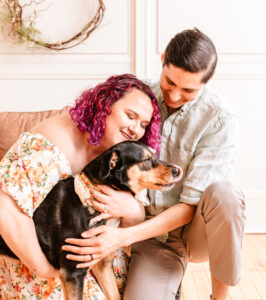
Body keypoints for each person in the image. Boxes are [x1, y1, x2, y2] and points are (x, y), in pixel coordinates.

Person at [63, 28, 246, 300]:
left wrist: (122, 237)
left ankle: (221, 298)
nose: (173, 96)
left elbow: (188, 207)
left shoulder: (219, 120)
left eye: (188, 90)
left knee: (226, 194)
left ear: (209, 80)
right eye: (170, 82)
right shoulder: (138, 98)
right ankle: (167, 284)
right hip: (145, 238)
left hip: (191, 231)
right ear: (162, 59)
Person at [0, 74, 161, 299]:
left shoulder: (123, 155)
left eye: (143, 125)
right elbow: (5, 207)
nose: (135, 129)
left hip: (97, 257)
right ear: (106, 106)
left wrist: (131, 209)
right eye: (130, 116)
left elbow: (134, 221)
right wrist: (44, 268)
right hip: (34, 256)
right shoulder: (54, 141)